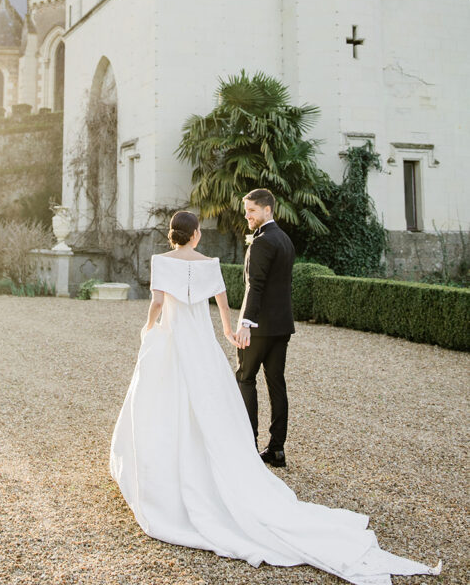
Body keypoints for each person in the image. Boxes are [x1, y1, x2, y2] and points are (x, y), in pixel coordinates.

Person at [109, 210, 441, 585]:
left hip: (171, 340)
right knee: (211, 401)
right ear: (196, 235)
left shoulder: (161, 261)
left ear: (174, 235)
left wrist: (148, 328)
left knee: (162, 402)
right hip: (200, 344)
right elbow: (221, 299)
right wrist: (228, 331)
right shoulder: (209, 263)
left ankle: (163, 469)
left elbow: (157, 302)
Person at [235, 188, 295, 468]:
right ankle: (277, 449)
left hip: (258, 328)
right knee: (276, 384)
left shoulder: (261, 243)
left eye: (252, 211)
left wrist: (246, 323)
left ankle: (248, 445)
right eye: (246, 210)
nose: (247, 215)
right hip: (282, 326)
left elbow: (254, 286)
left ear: (267, 210)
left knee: (245, 378)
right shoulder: (284, 240)